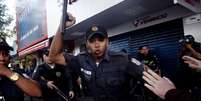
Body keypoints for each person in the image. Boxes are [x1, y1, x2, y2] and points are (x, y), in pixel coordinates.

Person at [49, 13, 144, 101]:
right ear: (86, 44)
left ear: (107, 42)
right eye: (92, 41)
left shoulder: (123, 59)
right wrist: (61, 26)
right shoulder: (81, 60)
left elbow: (151, 80)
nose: (97, 44)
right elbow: (53, 56)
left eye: (101, 40)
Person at [0, 37, 41, 101]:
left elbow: (37, 92)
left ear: (9, 57)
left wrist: (7, 72)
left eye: (5, 54)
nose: (2, 58)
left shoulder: (16, 73)